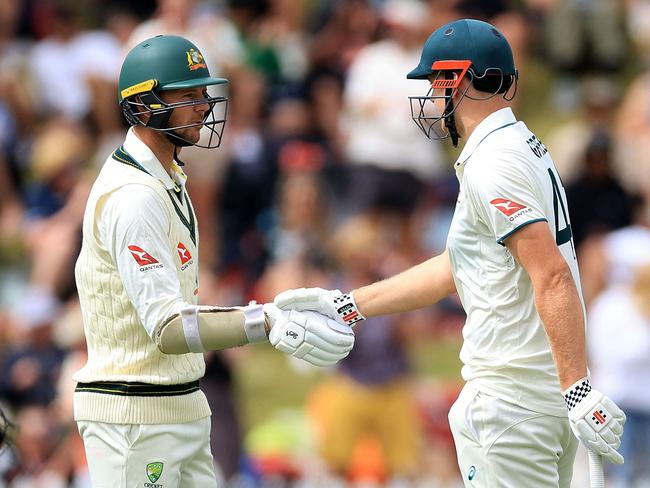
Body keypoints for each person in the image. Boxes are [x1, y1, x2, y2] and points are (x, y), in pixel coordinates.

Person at [275, 19, 626, 487]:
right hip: (534, 402)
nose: (430, 98)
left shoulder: (493, 163)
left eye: (433, 83)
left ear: (455, 80)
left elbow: (552, 276)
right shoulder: (521, 146)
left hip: (510, 405)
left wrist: (577, 386)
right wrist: (349, 306)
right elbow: (458, 266)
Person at [72, 34, 354, 488]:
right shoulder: (133, 197)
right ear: (143, 106)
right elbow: (166, 328)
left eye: (204, 92)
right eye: (187, 94)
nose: (204, 105)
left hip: (182, 405)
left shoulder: (169, 177)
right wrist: (265, 321)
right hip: (134, 415)